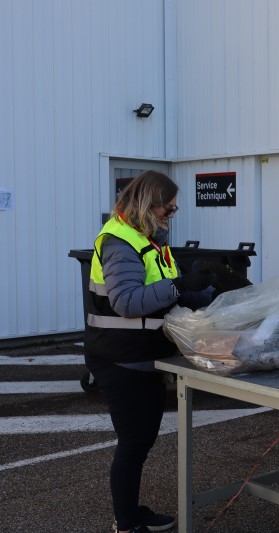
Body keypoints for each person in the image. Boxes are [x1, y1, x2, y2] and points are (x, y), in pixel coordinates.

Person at [84, 171, 217, 533]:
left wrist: (211, 293)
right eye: (167, 210)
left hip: (144, 355)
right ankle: (126, 522)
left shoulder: (151, 241)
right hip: (119, 357)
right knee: (134, 441)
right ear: (147, 203)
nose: (171, 217)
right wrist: (179, 285)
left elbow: (169, 293)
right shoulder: (118, 242)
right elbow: (127, 302)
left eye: (174, 211)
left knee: (141, 440)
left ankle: (132, 511)